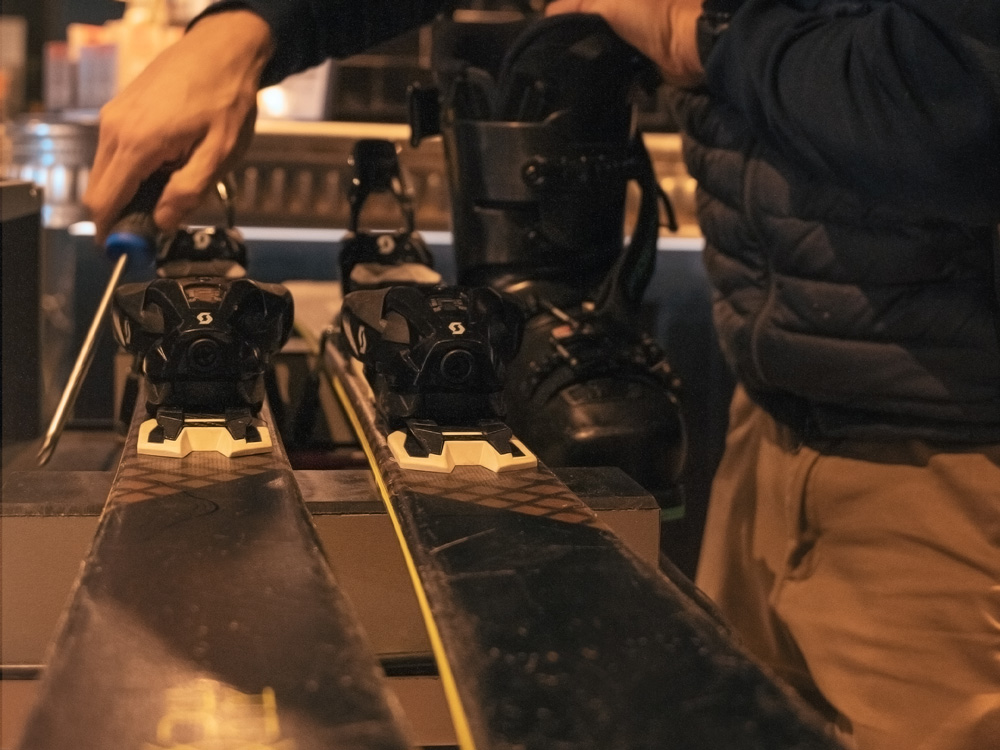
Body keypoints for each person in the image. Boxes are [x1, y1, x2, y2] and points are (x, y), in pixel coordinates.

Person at [84, 1, 1000, 749]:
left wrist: (693, 29)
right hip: (780, 421)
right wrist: (250, 31)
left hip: (960, 463)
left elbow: (963, 93)